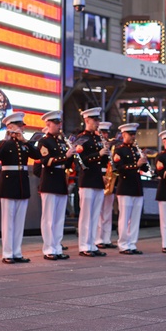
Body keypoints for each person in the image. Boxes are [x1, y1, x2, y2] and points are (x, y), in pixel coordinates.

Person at [0, 112, 36, 263]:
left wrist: (26, 141)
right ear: (10, 127)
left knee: (19, 221)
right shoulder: (5, 144)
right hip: (9, 184)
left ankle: (17, 252)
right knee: (8, 220)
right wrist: (6, 139)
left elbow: (36, 155)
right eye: (19, 126)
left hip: (22, 184)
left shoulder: (24, 144)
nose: (22, 129)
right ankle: (7, 253)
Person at [36, 110, 74, 260]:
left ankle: (57, 247)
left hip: (60, 179)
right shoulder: (44, 141)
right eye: (56, 124)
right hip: (49, 180)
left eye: (59, 123)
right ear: (48, 124)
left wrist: (71, 157)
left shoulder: (61, 142)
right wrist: (65, 156)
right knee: (49, 218)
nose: (59, 126)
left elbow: (67, 163)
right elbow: (47, 161)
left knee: (59, 218)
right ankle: (48, 248)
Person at [74, 108, 109, 257]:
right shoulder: (82, 138)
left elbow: (102, 162)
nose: (97, 123)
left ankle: (92, 244)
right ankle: (84, 245)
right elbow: (82, 161)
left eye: (98, 120)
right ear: (87, 120)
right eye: (95, 120)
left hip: (97, 180)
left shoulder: (98, 138)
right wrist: (98, 154)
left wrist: (107, 153)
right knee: (86, 215)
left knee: (95, 215)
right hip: (87, 180)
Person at [113, 123, 149, 254]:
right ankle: (123, 244)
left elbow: (144, 169)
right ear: (123, 135)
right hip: (125, 186)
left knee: (135, 217)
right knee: (125, 217)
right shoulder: (119, 150)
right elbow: (119, 168)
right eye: (130, 134)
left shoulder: (136, 150)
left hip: (136, 186)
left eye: (134, 134)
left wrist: (144, 161)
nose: (133, 137)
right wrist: (136, 164)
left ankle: (132, 243)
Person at [94, 121, 117, 250]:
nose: (105, 135)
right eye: (103, 132)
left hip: (109, 178)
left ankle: (106, 238)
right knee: (98, 211)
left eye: (107, 132)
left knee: (107, 211)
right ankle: (98, 238)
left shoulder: (111, 148)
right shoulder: (97, 145)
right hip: (99, 176)